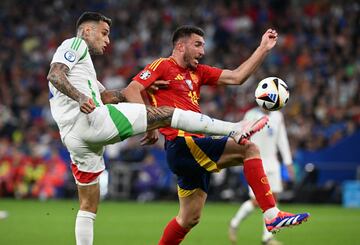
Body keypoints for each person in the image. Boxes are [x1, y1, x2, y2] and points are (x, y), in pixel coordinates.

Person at [47, 12, 272, 245]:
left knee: (88, 204)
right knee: (165, 114)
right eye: (104, 33)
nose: (108, 40)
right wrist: (81, 97)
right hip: (89, 121)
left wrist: (146, 88)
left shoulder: (86, 74)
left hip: (74, 138)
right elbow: (55, 74)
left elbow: (108, 96)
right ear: (87, 31)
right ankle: (234, 128)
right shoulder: (73, 44)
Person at [122, 25, 309, 244]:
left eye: (204, 45)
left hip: (191, 147)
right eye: (198, 45)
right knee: (249, 148)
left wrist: (263, 48)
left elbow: (237, 77)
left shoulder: (198, 72)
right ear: (181, 46)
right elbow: (131, 90)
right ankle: (271, 215)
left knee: (189, 218)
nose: (203, 51)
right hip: (183, 142)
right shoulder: (163, 65)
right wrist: (149, 125)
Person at [229, 107, 295, 245]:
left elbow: (282, 140)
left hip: (273, 163)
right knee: (257, 201)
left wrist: (288, 163)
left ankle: (267, 237)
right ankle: (234, 223)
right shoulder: (251, 114)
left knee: (273, 201)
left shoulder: (278, 116)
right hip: (256, 162)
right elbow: (243, 137)